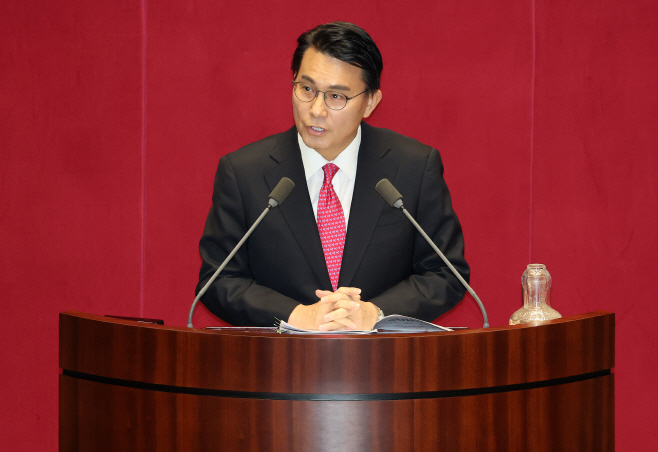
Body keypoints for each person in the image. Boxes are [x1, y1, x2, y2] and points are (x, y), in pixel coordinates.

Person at [196, 22, 469, 331]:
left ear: (370, 102)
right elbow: (218, 280)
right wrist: (295, 315)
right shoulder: (244, 172)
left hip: (387, 357)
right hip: (277, 357)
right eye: (307, 89)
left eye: (336, 96)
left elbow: (446, 273)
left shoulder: (413, 167)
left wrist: (377, 313)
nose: (316, 110)